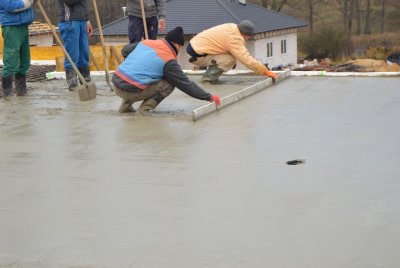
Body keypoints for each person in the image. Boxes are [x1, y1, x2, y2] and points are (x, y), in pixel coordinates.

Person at [112, 26, 220, 114]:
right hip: (130, 91)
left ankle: (125, 108)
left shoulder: (147, 42)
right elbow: (185, 84)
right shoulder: (169, 60)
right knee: (169, 84)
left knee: (140, 76)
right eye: (180, 47)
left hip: (116, 84)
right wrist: (208, 97)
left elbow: (124, 51)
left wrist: (134, 63)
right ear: (177, 45)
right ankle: (144, 110)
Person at [187, 20, 277, 83]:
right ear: (246, 35)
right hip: (197, 55)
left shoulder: (232, 27)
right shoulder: (234, 39)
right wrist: (265, 71)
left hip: (195, 47)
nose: (247, 39)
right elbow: (246, 59)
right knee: (230, 60)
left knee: (230, 57)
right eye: (248, 36)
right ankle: (208, 79)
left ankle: (210, 74)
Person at [0, 0, 36, 98]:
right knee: (11, 59)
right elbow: (10, 6)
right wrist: (28, 2)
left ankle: (21, 91)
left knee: (25, 60)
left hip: (24, 25)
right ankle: (7, 92)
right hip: (11, 27)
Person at [57, 0, 93, 91]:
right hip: (69, 21)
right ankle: (72, 83)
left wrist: (87, 20)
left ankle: (85, 79)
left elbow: (83, 4)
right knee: (72, 54)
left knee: (84, 53)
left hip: (82, 20)